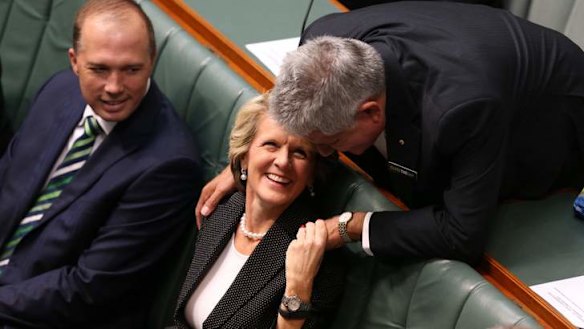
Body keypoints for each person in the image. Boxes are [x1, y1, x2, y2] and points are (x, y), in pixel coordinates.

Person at [197, 2, 584, 264]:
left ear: (370, 113)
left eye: (329, 145)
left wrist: (348, 227)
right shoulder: (322, 40)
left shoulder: (461, 111)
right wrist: (250, 160)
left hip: (555, 125)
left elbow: (461, 233)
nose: (322, 154)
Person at [0, 0, 201, 327]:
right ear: (75, 62)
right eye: (99, 69)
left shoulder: (168, 165)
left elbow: (88, 287)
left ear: (152, 61)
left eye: (131, 70)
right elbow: (6, 184)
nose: (114, 87)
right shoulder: (59, 90)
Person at [171, 94, 343, 329]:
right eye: (271, 144)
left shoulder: (318, 255)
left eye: (299, 152)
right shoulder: (221, 211)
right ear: (244, 156)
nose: (283, 162)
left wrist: (298, 288)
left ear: (311, 174)